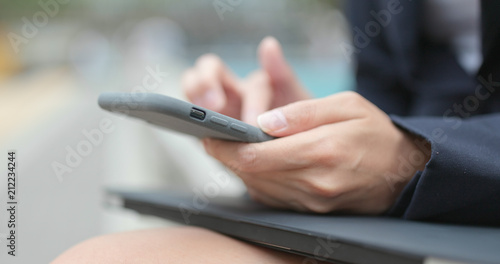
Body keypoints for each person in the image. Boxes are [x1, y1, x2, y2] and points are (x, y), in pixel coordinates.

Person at [53, 0, 500, 263]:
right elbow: (383, 105)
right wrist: (307, 131)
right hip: (410, 230)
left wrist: (413, 156)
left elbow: (401, 138)